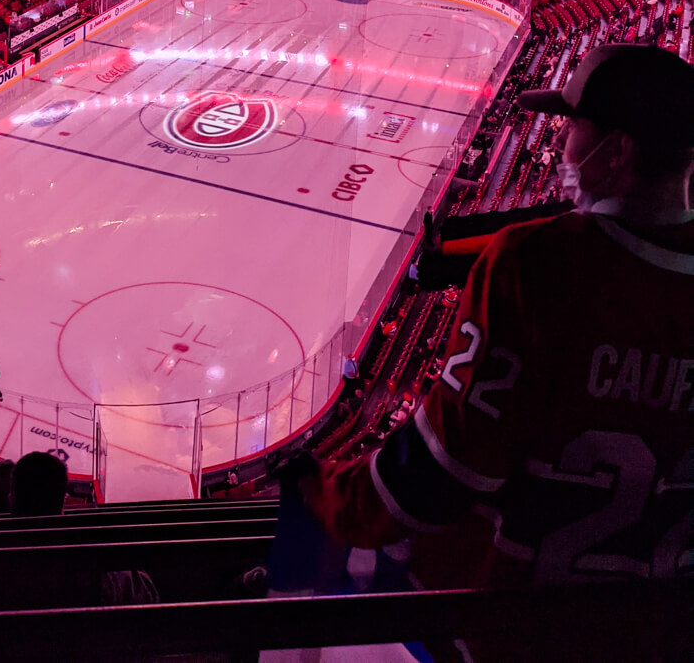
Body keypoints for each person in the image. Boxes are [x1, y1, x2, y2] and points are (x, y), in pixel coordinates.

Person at [287, 43, 694, 609]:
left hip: (520, 623)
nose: (562, 144)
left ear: (617, 150)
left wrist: (317, 489)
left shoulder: (536, 264)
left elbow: (436, 477)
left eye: (574, 127)